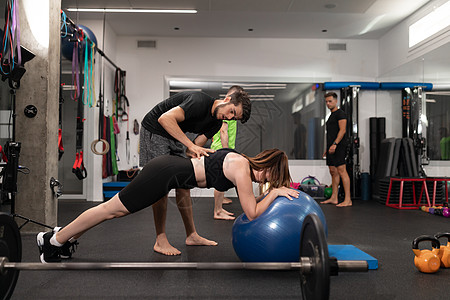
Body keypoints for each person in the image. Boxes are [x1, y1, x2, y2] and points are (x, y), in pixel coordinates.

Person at [37, 148, 299, 263]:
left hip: (169, 171)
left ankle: (57, 237)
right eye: (270, 177)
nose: (265, 182)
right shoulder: (242, 168)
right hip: (164, 173)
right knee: (111, 209)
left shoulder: (240, 160)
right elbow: (252, 213)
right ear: (266, 166)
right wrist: (275, 193)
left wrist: (272, 190)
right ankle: (54, 241)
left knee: (111, 211)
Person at [140, 90, 251, 256]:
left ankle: (192, 235)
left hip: (175, 135)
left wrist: (200, 155)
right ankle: (160, 239)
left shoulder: (216, 123)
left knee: (185, 183)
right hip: (155, 129)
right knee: (161, 186)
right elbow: (165, 119)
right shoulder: (198, 101)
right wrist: (190, 147)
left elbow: (195, 145)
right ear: (227, 99)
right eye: (232, 112)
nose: (229, 117)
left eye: (233, 117)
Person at [210, 85, 244, 220]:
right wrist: (225, 152)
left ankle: (220, 204)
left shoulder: (232, 112)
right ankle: (217, 211)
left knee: (223, 177)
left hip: (223, 147)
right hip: (220, 147)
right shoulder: (227, 111)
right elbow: (223, 131)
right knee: (220, 177)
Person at [321, 92, 352, 207]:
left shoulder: (340, 114)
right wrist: (327, 148)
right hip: (331, 148)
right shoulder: (331, 116)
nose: (328, 104)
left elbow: (342, 130)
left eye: (330, 101)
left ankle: (348, 200)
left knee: (342, 171)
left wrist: (335, 144)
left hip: (338, 147)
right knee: (333, 172)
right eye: (326, 102)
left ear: (336, 101)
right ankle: (334, 197)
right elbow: (331, 134)